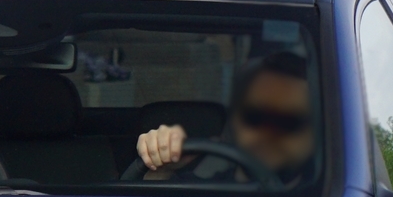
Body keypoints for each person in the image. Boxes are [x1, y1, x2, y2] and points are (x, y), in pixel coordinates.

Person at [133, 52, 316, 187]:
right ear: (234, 119)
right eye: (255, 117)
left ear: (315, 131)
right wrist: (161, 167)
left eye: (288, 122)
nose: (269, 133)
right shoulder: (198, 193)